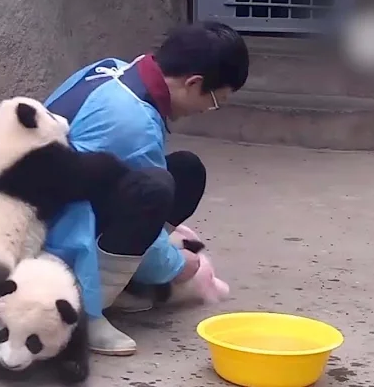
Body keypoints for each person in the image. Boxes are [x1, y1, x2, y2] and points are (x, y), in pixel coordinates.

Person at [42, 21, 249, 356]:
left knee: (185, 171)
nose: (207, 110)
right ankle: (82, 309)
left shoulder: (109, 69)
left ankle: (120, 281)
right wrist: (181, 267)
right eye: (214, 100)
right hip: (54, 236)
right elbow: (144, 197)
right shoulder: (134, 124)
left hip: (52, 199)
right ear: (193, 83)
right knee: (156, 189)